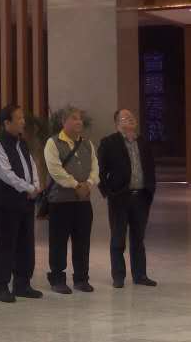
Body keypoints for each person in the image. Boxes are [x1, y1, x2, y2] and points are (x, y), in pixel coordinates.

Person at [0, 104, 42, 302]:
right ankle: (1, 286)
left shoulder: (22, 142)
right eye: (19, 118)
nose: (23, 122)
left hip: (25, 202)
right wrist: (28, 188)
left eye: (23, 118)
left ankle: (22, 284)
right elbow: (5, 173)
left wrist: (35, 185)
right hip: (5, 204)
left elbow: (32, 165)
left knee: (25, 244)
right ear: (6, 123)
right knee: (5, 246)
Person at [98, 108, 158, 289]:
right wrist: (109, 192)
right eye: (125, 117)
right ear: (117, 123)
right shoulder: (109, 143)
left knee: (138, 238)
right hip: (120, 198)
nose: (130, 119)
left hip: (141, 197)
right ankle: (118, 276)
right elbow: (100, 171)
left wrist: (150, 189)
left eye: (132, 117)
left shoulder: (143, 142)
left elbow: (150, 168)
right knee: (118, 238)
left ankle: (140, 275)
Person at [44, 106, 99, 294]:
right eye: (74, 118)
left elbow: (95, 168)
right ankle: (57, 279)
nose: (79, 122)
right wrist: (76, 185)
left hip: (83, 202)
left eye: (80, 118)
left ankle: (81, 278)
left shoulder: (87, 144)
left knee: (82, 241)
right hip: (60, 202)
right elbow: (55, 170)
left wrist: (89, 184)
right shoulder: (52, 143)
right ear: (64, 122)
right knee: (58, 242)